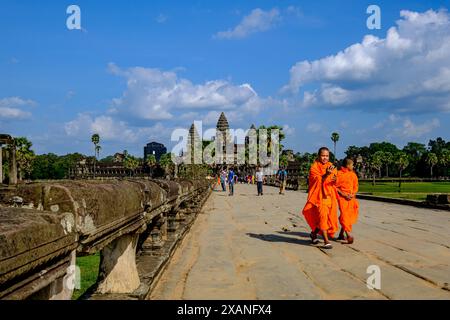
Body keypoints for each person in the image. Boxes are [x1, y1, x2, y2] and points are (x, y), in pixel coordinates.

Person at [302, 147, 339, 249]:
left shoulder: (332, 166)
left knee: (327, 218)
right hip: (319, 196)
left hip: (329, 196)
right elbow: (317, 181)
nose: (325, 158)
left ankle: (313, 234)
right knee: (322, 216)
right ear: (318, 156)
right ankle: (326, 241)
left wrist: (335, 179)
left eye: (327, 156)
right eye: (323, 156)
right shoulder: (314, 167)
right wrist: (326, 174)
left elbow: (334, 181)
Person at [336, 158, 359, 244]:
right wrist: (343, 194)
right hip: (342, 198)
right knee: (344, 215)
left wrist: (352, 194)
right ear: (348, 165)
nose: (353, 166)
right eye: (352, 165)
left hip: (351, 198)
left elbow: (356, 186)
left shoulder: (353, 175)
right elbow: (335, 186)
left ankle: (341, 235)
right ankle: (348, 235)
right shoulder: (339, 174)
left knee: (348, 215)